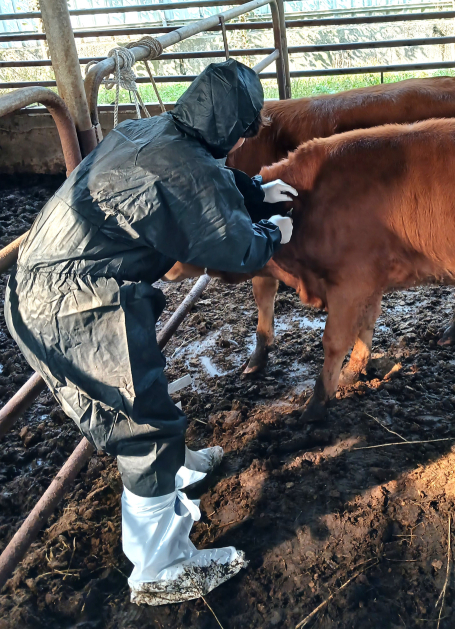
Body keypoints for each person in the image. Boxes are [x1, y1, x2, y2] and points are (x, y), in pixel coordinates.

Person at [4, 59, 296, 605]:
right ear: (231, 129)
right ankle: (159, 568)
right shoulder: (183, 165)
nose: (238, 143)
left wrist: (256, 190)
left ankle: (175, 471)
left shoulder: (154, 129)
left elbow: (203, 176)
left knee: (148, 395)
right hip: (76, 306)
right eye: (241, 133)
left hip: (46, 287)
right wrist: (271, 233)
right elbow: (231, 246)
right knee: (144, 425)